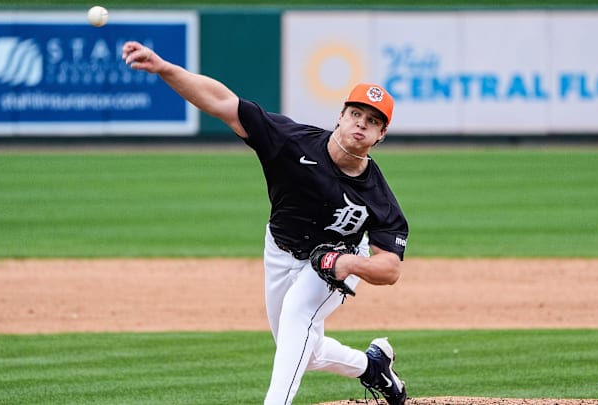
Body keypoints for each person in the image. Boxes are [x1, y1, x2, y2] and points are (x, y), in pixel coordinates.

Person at [122, 41, 409, 405]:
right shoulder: (291, 142)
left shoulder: (377, 195)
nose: (360, 125)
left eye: (372, 122)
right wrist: (165, 68)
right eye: (356, 114)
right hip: (279, 248)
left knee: (297, 316)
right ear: (341, 115)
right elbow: (223, 103)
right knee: (303, 348)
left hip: (336, 260)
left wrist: (347, 264)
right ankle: (373, 367)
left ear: (381, 135)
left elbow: (390, 268)